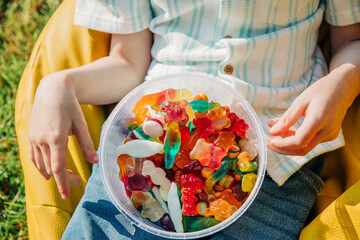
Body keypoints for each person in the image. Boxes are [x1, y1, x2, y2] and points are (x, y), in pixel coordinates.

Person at [27, 0, 360, 239]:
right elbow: (127, 61)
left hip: (275, 162)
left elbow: (351, 40)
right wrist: (60, 82)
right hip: (146, 152)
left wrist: (343, 82)